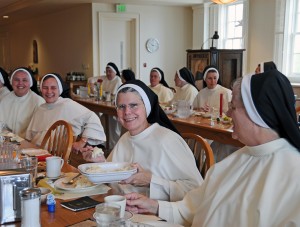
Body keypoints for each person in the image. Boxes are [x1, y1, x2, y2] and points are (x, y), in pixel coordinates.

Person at [124, 69, 300, 226]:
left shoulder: (294, 175)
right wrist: (153, 205)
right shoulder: (233, 161)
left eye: (233, 107)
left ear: (256, 113)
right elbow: (192, 208)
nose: (229, 114)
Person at [83, 80, 202, 201]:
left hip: (156, 216)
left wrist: (151, 181)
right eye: (121, 107)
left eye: (133, 105)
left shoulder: (167, 140)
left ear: (147, 107)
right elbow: (113, 181)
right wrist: (100, 164)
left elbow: (197, 190)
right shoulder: (125, 138)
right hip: (124, 209)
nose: (127, 112)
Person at [26, 73, 106, 152]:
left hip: (54, 156)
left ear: (59, 89)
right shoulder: (41, 108)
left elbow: (92, 117)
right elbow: (30, 137)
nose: (49, 91)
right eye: (45, 88)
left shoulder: (67, 104)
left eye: (53, 88)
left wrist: (82, 142)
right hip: (35, 152)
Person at [0, 67, 44, 138]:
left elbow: (36, 132)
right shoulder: (5, 99)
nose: (20, 83)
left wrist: (16, 140)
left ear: (30, 83)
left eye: (24, 80)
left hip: (28, 142)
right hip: (7, 140)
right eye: (16, 80)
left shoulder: (38, 101)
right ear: (11, 82)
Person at [88, 62, 123, 150]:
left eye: (110, 71)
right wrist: (92, 87)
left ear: (115, 72)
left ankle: (113, 146)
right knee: (101, 120)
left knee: (112, 124)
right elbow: (91, 79)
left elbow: (114, 95)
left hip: (114, 106)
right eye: (106, 71)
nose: (108, 73)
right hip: (104, 105)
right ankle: (103, 143)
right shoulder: (104, 78)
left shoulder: (117, 80)